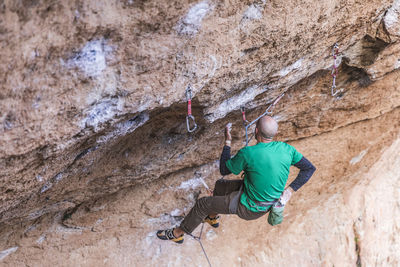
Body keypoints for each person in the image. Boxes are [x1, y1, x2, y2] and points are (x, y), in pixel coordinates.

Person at [157, 115, 316, 244]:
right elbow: (309, 168)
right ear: (274, 134)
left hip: (249, 207)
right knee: (220, 186)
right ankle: (212, 216)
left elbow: (224, 169)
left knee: (202, 204)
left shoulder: (249, 153)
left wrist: (227, 142)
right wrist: (289, 190)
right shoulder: (286, 149)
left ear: (256, 130)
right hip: (264, 201)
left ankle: (177, 234)